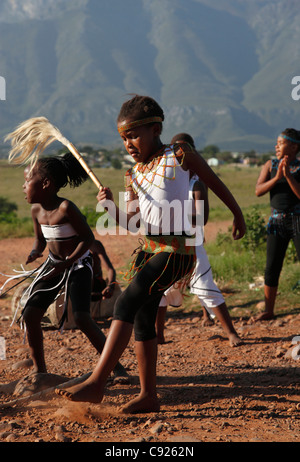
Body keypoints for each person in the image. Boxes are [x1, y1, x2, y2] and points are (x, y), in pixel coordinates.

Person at [56, 94, 246, 413]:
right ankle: (149, 395)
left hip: (177, 249)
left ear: (156, 128)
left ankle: (98, 381)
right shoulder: (133, 174)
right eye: (123, 138)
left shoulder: (180, 155)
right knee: (143, 317)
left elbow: (214, 182)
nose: (128, 143)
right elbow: (133, 222)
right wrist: (109, 207)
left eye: (133, 135)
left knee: (127, 300)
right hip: (148, 249)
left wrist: (237, 214)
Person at [21, 153, 128, 381]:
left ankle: (117, 368)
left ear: (46, 184)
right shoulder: (36, 211)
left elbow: (87, 238)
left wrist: (68, 263)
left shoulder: (66, 208)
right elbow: (41, 240)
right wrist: (35, 252)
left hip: (79, 265)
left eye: (27, 180)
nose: (23, 186)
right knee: (30, 314)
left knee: (81, 318)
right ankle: (39, 371)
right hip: (54, 265)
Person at [156, 133, 242, 347]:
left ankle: (231, 332)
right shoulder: (168, 182)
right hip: (168, 243)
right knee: (161, 289)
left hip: (192, 243)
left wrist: (174, 214)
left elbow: (202, 217)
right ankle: (158, 334)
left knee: (205, 284)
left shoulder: (196, 184)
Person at [254, 128, 300, 321]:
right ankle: (269, 310)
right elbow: (258, 191)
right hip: (277, 221)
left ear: (294, 146)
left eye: (281, 143)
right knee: (272, 266)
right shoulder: (270, 165)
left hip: (298, 220)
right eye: (277, 143)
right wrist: (277, 178)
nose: (276, 146)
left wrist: (288, 176)